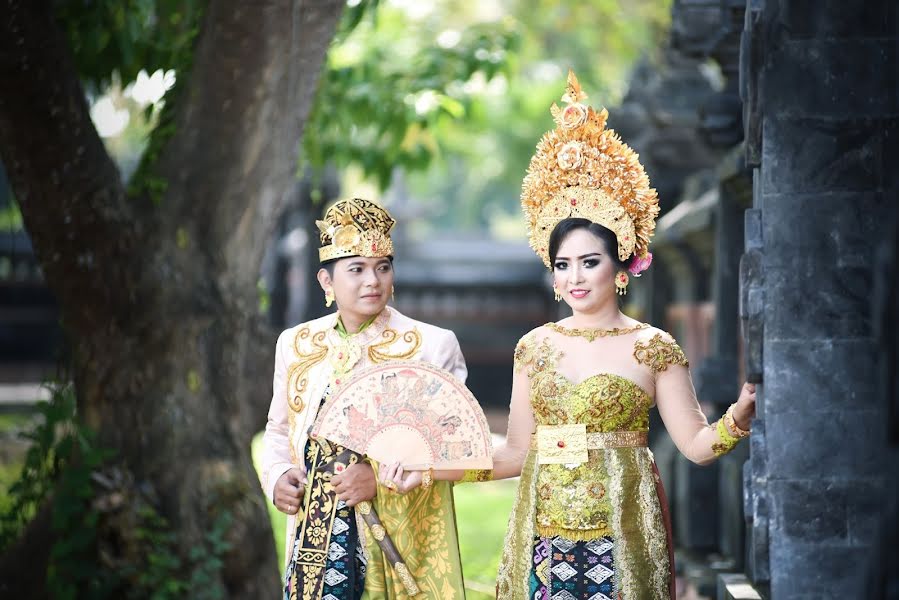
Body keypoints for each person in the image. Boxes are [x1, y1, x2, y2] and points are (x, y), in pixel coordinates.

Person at [380, 72, 756, 600]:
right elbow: (513, 454)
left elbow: (694, 447)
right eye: (562, 264)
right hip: (545, 536)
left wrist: (738, 417)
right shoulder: (533, 348)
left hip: (622, 535)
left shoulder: (652, 347)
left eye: (589, 262)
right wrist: (429, 469)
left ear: (620, 268)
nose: (575, 277)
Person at [259, 198, 469, 599]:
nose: (372, 281)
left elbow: (456, 449)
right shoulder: (296, 344)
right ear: (326, 281)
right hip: (314, 535)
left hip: (395, 537)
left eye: (382, 267)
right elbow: (278, 430)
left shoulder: (430, 346)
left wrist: (378, 479)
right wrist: (277, 476)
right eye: (356, 269)